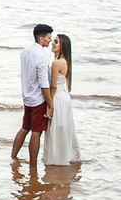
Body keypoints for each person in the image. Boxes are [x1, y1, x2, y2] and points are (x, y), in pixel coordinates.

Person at [11, 24, 53, 167]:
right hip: (38, 99)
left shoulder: (26, 52)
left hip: (27, 97)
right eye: (48, 37)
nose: (50, 40)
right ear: (41, 38)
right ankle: (33, 166)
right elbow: (44, 84)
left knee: (24, 128)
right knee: (36, 132)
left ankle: (13, 157)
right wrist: (50, 104)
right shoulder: (41, 56)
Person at [44, 33, 81, 165]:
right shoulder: (67, 61)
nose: (53, 43)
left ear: (62, 46)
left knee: (55, 128)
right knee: (64, 128)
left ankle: (56, 158)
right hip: (65, 97)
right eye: (53, 41)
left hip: (57, 98)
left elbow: (53, 86)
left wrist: (49, 105)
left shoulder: (56, 63)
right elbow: (68, 86)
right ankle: (65, 155)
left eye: (56, 42)